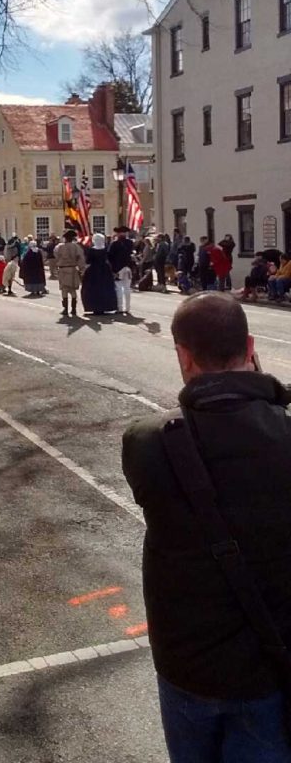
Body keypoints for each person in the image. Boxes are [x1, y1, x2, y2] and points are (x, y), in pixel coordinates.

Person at [123, 292, 291, 762]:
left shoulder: (146, 441)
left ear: (183, 355)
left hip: (186, 663)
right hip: (268, 662)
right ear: (251, 347)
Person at [81, 234, 117, 314]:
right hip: (105, 270)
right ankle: (105, 306)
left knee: (93, 289)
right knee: (105, 288)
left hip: (93, 270)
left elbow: (88, 261)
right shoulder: (105, 249)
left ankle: (94, 307)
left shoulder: (91, 250)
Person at [54, 230, 86, 317]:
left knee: (64, 289)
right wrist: (82, 269)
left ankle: (65, 309)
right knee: (73, 290)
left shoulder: (59, 247)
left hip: (63, 269)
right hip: (72, 269)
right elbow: (81, 258)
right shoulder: (76, 247)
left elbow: (56, 256)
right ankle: (74, 309)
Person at [108, 227, 134, 315]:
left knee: (118, 289)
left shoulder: (114, 244)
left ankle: (120, 308)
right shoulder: (130, 243)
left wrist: (112, 269)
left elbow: (110, 257)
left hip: (117, 268)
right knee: (127, 289)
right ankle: (128, 308)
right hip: (128, 267)